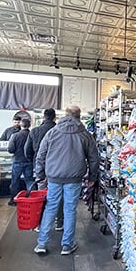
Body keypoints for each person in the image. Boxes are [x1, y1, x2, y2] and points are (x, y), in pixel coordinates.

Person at [34, 105, 99, 255]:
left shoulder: (52, 132)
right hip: (74, 178)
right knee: (70, 209)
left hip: (54, 177)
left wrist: (40, 175)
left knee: (51, 207)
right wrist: (92, 177)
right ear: (78, 116)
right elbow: (94, 158)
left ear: (65, 115)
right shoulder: (85, 134)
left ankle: (42, 243)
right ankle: (67, 245)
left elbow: (41, 155)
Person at [7, 117, 33, 206]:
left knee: (15, 181)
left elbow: (10, 149)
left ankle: (14, 200)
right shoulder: (32, 135)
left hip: (17, 160)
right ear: (29, 125)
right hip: (29, 161)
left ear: (20, 125)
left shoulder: (15, 135)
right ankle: (32, 199)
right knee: (29, 180)